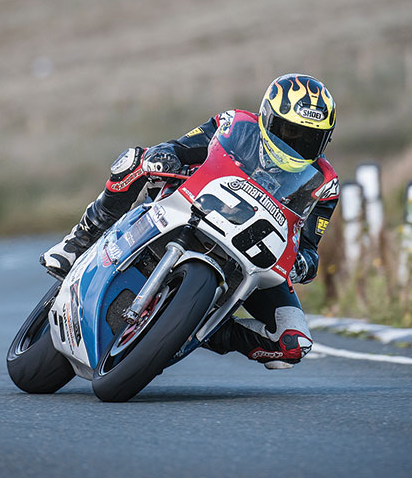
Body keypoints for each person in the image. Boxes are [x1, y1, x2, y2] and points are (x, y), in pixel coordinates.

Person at [41, 73, 339, 369]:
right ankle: (78, 242)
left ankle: (199, 328)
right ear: (267, 119)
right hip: (190, 208)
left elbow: (310, 247)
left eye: (309, 139)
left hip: (252, 258)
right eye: (289, 132)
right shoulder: (235, 124)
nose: (296, 145)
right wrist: (165, 156)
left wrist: (303, 264)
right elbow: (181, 147)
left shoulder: (324, 185)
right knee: (132, 160)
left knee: (293, 344)